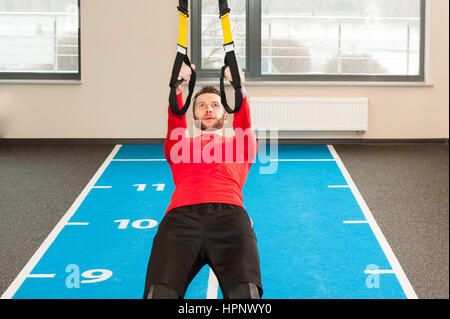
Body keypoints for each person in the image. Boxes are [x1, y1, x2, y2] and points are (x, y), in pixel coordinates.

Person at [143, 62, 262, 299]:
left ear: (225, 115)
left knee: (245, 296)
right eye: (201, 105)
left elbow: (244, 121)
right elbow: (175, 118)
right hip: (180, 221)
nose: (208, 109)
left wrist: (238, 88)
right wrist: (177, 88)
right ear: (193, 114)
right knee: (160, 294)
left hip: (230, 218)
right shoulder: (180, 145)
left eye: (215, 105)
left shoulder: (241, 145)